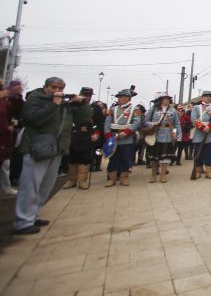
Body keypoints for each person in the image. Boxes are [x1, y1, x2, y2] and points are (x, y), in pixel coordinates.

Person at [14, 77, 87, 234]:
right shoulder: (36, 98)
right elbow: (31, 119)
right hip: (36, 148)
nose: (57, 90)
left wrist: (82, 104)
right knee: (31, 184)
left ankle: (33, 215)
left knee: (46, 185)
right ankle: (22, 221)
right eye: (53, 87)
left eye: (60, 88)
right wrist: (53, 104)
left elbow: (84, 120)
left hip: (57, 148)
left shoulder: (65, 104)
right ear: (45, 87)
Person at [104, 88, 141, 186]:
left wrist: (126, 132)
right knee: (113, 158)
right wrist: (108, 135)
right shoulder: (112, 109)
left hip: (127, 138)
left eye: (121, 97)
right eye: (119, 97)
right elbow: (107, 122)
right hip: (114, 137)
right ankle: (112, 178)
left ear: (127, 98)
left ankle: (124, 177)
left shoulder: (135, 109)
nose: (119, 99)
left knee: (126, 158)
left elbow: (136, 122)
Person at [61, 87, 96, 190]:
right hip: (72, 135)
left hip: (86, 136)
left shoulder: (94, 107)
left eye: (89, 95)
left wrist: (96, 133)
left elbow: (98, 123)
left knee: (84, 159)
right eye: (85, 95)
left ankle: (82, 180)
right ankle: (72, 179)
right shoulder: (70, 106)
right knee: (71, 158)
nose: (87, 97)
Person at [143, 92, 181, 183]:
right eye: (165, 98)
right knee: (154, 158)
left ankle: (163, 175)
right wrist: (154, 124)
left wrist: (175, 135)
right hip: (156, 135)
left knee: (165, 158)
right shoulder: (153, 109)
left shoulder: (172, 110)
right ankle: (153, 176)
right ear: (160, 100)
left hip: (168, 136)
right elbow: (145, 122)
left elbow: (177, 124)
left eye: (168, 99)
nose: (168, 100)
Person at [191, 91, 211, 179]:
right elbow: (194, 119)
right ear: (202, 98)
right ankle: (198, 171)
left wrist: (209, 127)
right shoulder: (196, 107)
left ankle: (208, 172)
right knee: (198, 153)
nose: (208, 98)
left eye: (210, 96)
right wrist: (203, 127)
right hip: (199, 133)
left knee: (210, 153)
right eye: (206, 96)